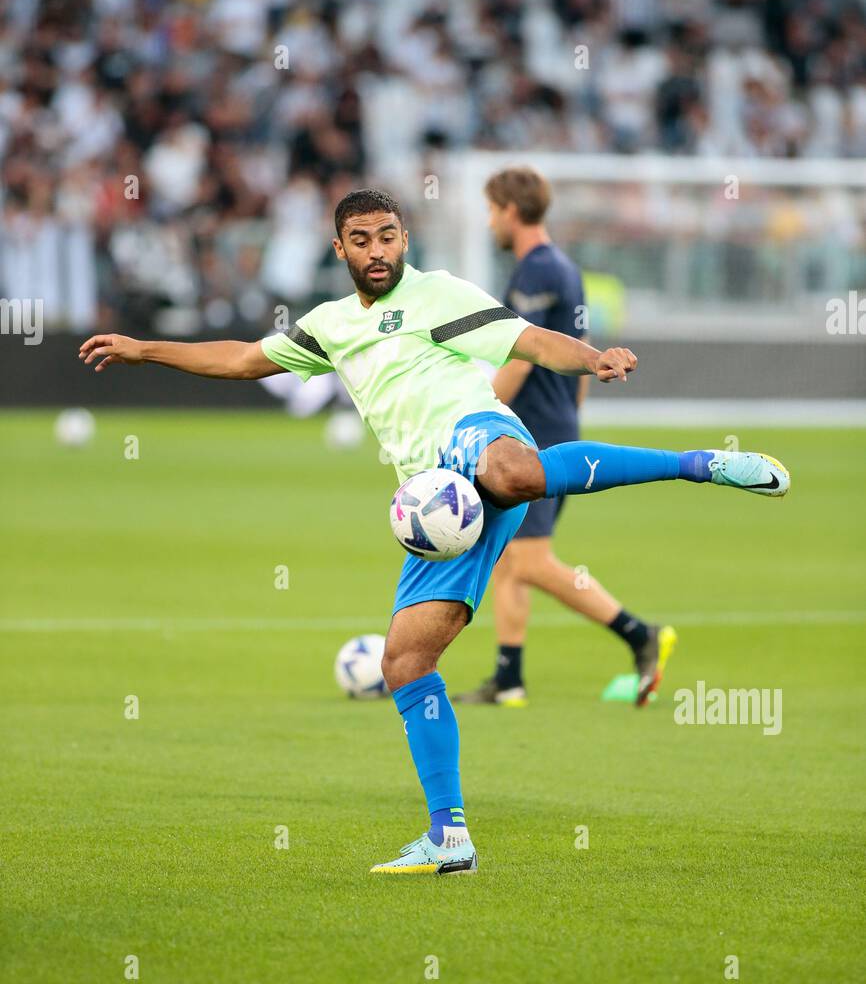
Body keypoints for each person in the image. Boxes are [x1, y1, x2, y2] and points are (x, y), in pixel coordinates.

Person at [79, 187, 790, 876]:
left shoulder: (438, 294)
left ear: (404, 241)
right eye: (361, 240)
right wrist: (145, 349)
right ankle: (448, 837)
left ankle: (700, 464)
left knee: (515, 474)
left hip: (473, 434)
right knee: (405, 663)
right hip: (432, 503)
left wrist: (592, 357)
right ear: (341, 248)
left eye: (388, 236)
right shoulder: (330, 324)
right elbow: (239, 359)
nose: (377, 250)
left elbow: (531, 340)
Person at [456, 166, 675, 708]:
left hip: (533, 434)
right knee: (509, 558)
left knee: (529, 561)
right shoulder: (564, 269)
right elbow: (579, 352)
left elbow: (521, 360)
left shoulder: (533, 273)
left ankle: (637, 633)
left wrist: (473, 414)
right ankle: (509, 680)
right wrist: (567, 420)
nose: (489, 223)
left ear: (509, 209)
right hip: (554, 423)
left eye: (490, 211)